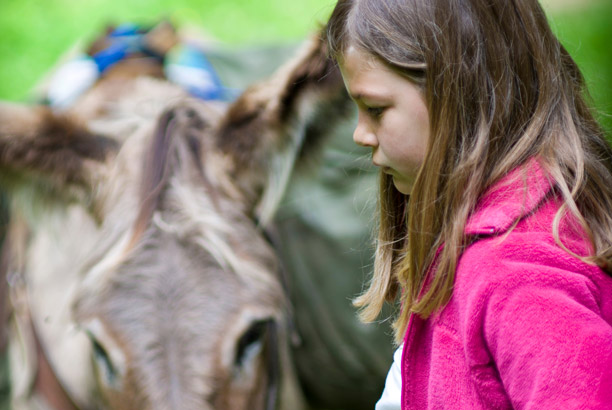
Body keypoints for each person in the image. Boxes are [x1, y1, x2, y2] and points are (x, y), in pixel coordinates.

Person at [324, 0, 612, 408]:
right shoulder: (483, 243)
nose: (360, 134)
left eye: (375, 109)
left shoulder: (518, 273)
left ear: (459, 92)